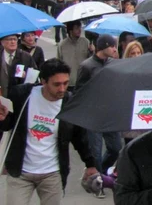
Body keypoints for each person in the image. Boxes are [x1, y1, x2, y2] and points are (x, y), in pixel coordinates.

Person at [0, 58, 98, 205]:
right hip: (21, 172)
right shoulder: (23, 95)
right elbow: (9, 126)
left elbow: (79, 137)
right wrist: (3, 119)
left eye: (65, 83)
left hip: (52, 174)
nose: (62, 89)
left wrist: (90, 163)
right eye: (57, 84)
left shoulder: (69, 102)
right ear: (43, 81)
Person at [76, 34, 121, 175]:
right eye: (112, 46)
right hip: (93, 114)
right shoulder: (87, 66)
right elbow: (79, 91)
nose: (114, 49)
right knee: (95, 149)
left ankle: (98, 171)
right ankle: (99, 181)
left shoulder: (112, 63)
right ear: (103, 47)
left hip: (109, 112)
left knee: (115, 148)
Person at [57, 21, 93, 89]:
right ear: (70, 30)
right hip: (68, 82)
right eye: (76, 28)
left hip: (83, 81)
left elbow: (91, 61)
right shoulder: (62, 45)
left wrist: (92, 52)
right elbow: (59, 63)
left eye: (80, 27)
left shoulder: (86, 42)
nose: (79, 30)